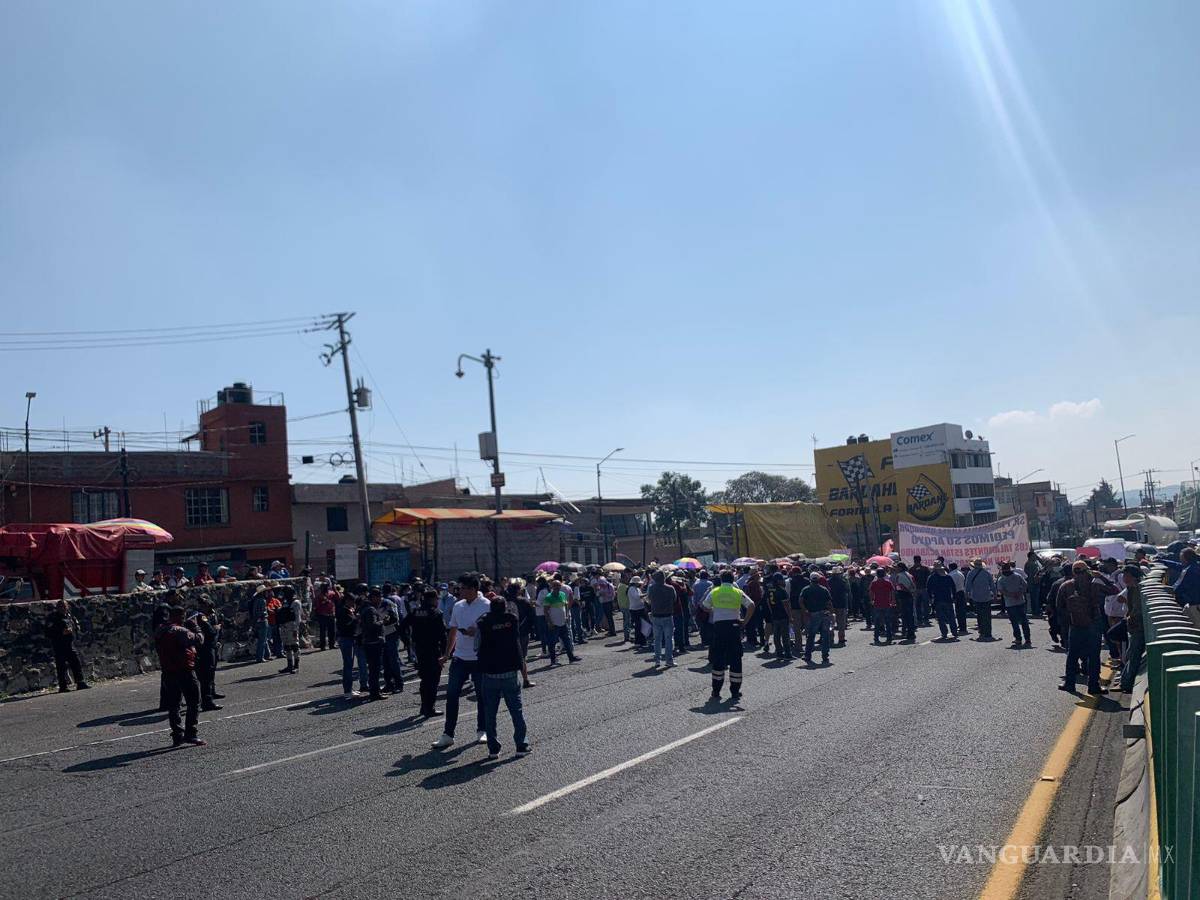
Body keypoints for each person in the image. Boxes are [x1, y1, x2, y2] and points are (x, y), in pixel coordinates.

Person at [432, 574, 492, 750]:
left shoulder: (487, 606)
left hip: (479, 658)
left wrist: (478, 632)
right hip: (459, 658)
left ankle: (483, 730)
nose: (460, 591)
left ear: (473, 589)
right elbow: (453, 631)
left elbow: (491, 632)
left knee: (482, 696)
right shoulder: (458, 606)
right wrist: (446, 654)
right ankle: (448, 734)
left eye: (463, 588)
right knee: (451, 695)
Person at [477, 594, 531, 760]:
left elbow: (477, 644)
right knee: (516, 710)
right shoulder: (511, 620)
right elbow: (515, 617)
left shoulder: (484, 622)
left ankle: (493, 749)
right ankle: (521, 744)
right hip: (509, 671)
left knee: (490, 712)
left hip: (490, 673)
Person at [1057, 560, 1117, 695]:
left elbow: (1059, 607)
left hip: (1075, 625)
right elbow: (1115, 590)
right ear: (1087, 570)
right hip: (1093, 624)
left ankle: (1070, 683)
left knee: (1072, 655)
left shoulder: (1066, 586)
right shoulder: (1095, 585)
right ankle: (1093, 685)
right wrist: (1100, 576)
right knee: (1094, 656)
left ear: (1073, 572)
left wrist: (1068, 621)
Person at [156, 606, 206, 747]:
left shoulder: (161, 629)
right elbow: (199, 640)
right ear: (180, 616)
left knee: (174, 705)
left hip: (167, 672)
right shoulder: (181, 631)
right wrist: (196, 627)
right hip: (184, 671)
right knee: (194, 701)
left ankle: (177, 735)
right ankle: (191, 733)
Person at [702, 570, 755, 700]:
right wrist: (744, 622)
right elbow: (751, 605)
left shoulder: (715, 591)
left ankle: (716, 691)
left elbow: (704, 606)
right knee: (735, 658)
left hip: (719, 628)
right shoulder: (737, 592)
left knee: (718, 658)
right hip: (734, 627)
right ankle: (735, 691)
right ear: (733, 580)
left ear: (721, 579)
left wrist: (714, 611)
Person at [408, 588, 448, 717]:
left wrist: (410, 641)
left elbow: (402, 626)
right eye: (437, 599)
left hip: (419, 649)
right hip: (432, 650)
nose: (437, 601)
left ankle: (424, 706)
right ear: (432, 599)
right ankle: (429, 708)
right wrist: (445, 653)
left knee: (424, 679)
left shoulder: (415, 612)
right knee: (433, 680)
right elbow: (443, 635)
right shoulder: (436, 613)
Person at [46, 600, 89, 692]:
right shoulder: (53, 617)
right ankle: (63, 686)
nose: (62, 608)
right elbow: (48, 632)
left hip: (70, 644)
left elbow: (76, 626)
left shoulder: (69, 616)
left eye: (64, 606)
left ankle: (80, 682)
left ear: (67, 607)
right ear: (57, 608)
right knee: (61, 666)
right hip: (59, 645)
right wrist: (61, 632)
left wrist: (75, 629)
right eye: (60, 607)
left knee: (76, 662)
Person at [1118, 565, 1145, 694]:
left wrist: (1130, 617)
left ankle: (1126, 684)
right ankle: (1124, 681)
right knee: (1130, 653)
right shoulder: (1130, 588)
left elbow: (1138, 609)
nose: (1123, 578)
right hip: (1133, 625)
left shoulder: (1139, 588)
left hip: (1138, 626)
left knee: (1133, 654)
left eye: (1126, 575)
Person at [336, 590, 367, 700]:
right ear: (347, 601)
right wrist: (356, 619)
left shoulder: (349, 609)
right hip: (346, 638)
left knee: (350, 664)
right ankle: (347, 690)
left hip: (350, 638)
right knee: (348, 664)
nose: (353, 603)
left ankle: (349, 689)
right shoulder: (343, 611)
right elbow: (346, 625)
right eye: (351, 601)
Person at [542, 576, 579, 665]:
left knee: (566, 641)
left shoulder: (562, 594)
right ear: (552, 587)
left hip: (563, 622)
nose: (557, 587)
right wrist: (549, 622)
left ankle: (571, 657)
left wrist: (566, 615)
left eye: (559, 586)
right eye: (555, 586)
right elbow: (545, 611)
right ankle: (553, 660)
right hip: (554, 623)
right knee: (552, 642)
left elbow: (565, 605)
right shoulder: (548, 597)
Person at [193, 596, 222, 710]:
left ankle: (208, 698)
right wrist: (216, 628)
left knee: (209, 675)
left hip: (209, 647)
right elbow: (210, 631)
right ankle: (207, 701)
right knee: (206, 676)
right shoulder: (201, 616)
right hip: (206, 648)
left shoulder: (203, 616)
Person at [799, 572, 834, 665]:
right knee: (825, 635)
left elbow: (801, 601)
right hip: (824, 613)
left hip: (812, 614)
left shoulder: (806, 589)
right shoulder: (824, 589)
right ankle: (825, 655)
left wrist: (805, 610)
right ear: (819, 579)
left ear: (810, 579)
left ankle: (807, 655)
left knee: (811, 635)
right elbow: (829, 602)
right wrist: (831, 613)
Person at [646, 569, 677, 668]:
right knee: (668, 639)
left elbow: (649, 600)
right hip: (667, 615)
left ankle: (657, 660)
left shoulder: (651, 588)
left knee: (657, 639)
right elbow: (674, 599)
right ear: (664, 578)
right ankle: (669, 660)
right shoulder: (670, 588)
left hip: (656, 616)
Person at [997, 561, 1031, 647]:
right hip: (1020, 601)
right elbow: (1025, 585)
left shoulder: (1001, 579)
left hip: (1010, 603)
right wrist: (1019, 593)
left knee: (1014, 622)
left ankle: (1018, 639)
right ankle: (1027, 639)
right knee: (1024, 621)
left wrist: (1010, 595)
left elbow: (1001, 591)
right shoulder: (1017, 576)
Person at [380, 584, 406, 694]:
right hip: (383, 635)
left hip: (391, 633)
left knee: (393, 660)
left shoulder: (388, 603)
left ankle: (399, 683)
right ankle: (388, 684)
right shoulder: (374, 604)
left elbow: (395, 618)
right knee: (385, 661)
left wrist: (383, 622)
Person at [964, 559, 996, 641]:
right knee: (987, 616)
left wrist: (967, 595)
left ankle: (982, 632)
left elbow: (968, 585)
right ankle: (988, 632)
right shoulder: (987, 573)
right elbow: (992, 585)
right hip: (986, 597)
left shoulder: (971, 573)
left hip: (976, 597)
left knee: (980, 615)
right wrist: (995, 594)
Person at [927, 563, 959, 640]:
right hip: (948, 599)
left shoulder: (932, 577)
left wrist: (930, 598)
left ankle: (944, 633)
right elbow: (953, 588)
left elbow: (928, 589)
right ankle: (954, 632)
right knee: (951, 616)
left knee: (941, 618)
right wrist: (954, 597)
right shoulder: (947, 577)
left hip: (938, 600)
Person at [1172, 547, 1200, 628]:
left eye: (1181, 558)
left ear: (1186, 559)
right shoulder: (1196, 566)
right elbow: (1177, 565)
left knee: (1196, 626)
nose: (1180, 560)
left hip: (1195, 603)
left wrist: (1170, 592)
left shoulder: (1188, 570)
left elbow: (1178, 587)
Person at [891, 563, 917, 642]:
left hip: (904, 597)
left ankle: (909, 633)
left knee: (905, 616)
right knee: (910, 615)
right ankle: (910, 632)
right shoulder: (909, 575)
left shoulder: (899, 576)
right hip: (910, 596)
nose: (896, 569)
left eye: (897, 567)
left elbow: (899, 587)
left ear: (900, 568)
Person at [870, 569, 897, 644]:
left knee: (877, 622)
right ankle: (889, 637)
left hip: (877, 604)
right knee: (887, 621)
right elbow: (892, 592)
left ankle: (876, 637)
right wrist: (893, 601)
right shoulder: (887, 583)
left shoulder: (874, 583)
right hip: (886, 603)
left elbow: (871, 591)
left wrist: (872, 600)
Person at [828, 566, 850, 646]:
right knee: (841, 623)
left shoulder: (828, 582)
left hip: (831, 605)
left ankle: (831, 638)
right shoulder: (843, 581)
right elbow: (847, 591)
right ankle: (841, 638)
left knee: (831, 623)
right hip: (841, 604)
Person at [312, 581, 337, 650]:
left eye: (325, 587)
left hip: (331, 614)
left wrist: (335, 589)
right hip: (322, 615)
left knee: (332, 631)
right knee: (322, 631)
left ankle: (332, 644)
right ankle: (322, 646)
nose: (324, 589)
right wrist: (323, 602)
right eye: (323, 587)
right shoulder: (319, 596)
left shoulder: (331, 593)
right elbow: (316, 606)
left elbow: (338, 597)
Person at [910, 555, 932, 627]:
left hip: (916, 589)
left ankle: (920, 619)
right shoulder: (925, 568)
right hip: (924, 588)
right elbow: (929, 578)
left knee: (917, 605)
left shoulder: (911, 569)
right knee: (925, 604)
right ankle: (926, 618)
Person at [627, 576, 646, 647]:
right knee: (638, 626)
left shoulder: (637, 588)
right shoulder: (631, 589)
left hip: (639, 608)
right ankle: (638, 641)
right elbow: (637, 597)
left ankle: (642, 641)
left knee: (642, 625)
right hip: (635, 609)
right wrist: (646, 594)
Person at [1024, 551, 1044, 617]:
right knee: (1034, 598)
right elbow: (1030, 575)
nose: (1035, 557)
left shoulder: (1033, 563)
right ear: (1031, 556)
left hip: (1035, 583)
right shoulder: (1030, 564)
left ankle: (1036, 611)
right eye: (1034, 556)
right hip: (1033, 584)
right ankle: (1036, 611)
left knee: (1035, 598)